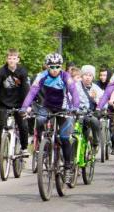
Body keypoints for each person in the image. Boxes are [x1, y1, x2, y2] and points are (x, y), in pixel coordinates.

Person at [22, 53, 83, 185]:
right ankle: (43, 145)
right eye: (52, 66)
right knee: (39, 119)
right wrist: (24, 107)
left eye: (57, 66)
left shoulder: (65, 76)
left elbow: (73, 92)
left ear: (61, 66)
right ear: (47, 66)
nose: (55, 69)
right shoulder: (42, 76)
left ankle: (67, 168)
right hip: (47, 107)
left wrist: (76, 107)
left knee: (65, 138)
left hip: (64, 108)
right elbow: (32, 92)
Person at [0, 49, 30, 162]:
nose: (11, 60)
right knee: (2, 126)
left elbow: (26, 89)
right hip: (4, 104)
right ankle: (0, 151)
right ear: (6, 59)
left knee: (23, 125)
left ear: (18, 60)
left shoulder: (22, 71)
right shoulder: (1, 72)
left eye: (14, 58)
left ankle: (24, 148)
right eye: (9, 58)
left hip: (19, 104)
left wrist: (27, 105)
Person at [77, 65, 102, 152]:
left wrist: (95, 99)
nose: (87, 77)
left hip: (88, 114)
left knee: (94, 121)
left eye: (90, 75)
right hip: (76, 113)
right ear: (81, 75)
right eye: (85, 75)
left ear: (93, 77)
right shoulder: (75, 86)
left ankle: (95, 142)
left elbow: (103, 103)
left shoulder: (96, 88)